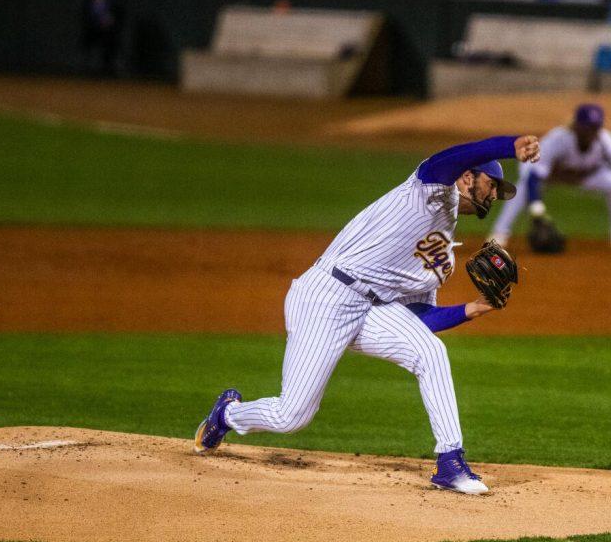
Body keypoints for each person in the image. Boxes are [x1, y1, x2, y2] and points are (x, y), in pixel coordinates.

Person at [193, 134, 542, 495]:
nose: (494, 194)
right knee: (292, 416)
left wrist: (474, 309)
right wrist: (510, 145)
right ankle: (227, 415)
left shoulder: (441, 253)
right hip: (325, 298)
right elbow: (451, 157)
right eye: (492, 184)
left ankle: (450, 463)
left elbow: (419, 319)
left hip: (368, 310)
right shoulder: (429, 191)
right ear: (468, 177)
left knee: (430, 351)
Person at [489, 103, 611, 252]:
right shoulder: (559, 138)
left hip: (586, 176)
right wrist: (537, 210)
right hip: (551, 175)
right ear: (577, 125)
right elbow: (534, 175)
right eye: (588, 127)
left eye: (595, 127)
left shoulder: (605, 139)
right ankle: (499, 234)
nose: (592, 131)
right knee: (523, 186)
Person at [81, 0, 123, 76]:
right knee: (88, 38)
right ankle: (89, 69)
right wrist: (95, 21)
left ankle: (108, 69)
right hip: (92, 28)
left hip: (109, 29)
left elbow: (119, 13)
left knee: (111, 38)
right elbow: (84, 13)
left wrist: (110, 20)